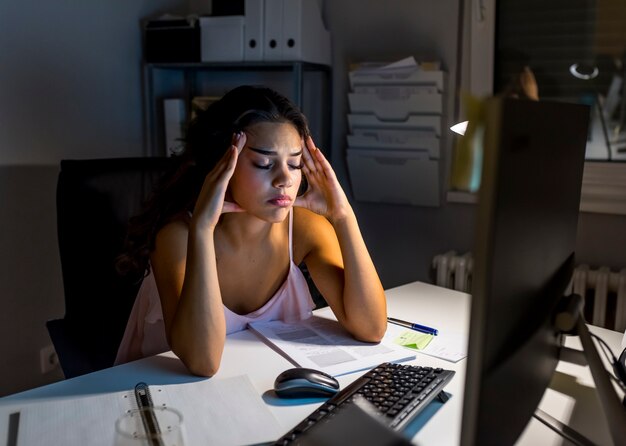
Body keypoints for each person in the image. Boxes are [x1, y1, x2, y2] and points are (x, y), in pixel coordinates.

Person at [115, 85, 387, 376]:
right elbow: (203, 362)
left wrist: (343, 216)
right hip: (157, 398)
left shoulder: (305, 228)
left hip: (258, 389)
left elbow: (370, 328)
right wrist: (203, 230)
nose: (284, 178)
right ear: (221, 165)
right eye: (264, 163)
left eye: (294, 164)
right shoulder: (178, 236)